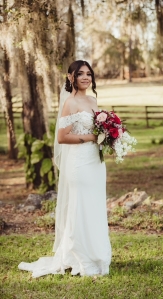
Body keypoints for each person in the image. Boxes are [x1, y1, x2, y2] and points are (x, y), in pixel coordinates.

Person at [18, 60, 112, 277]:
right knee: (80, 208)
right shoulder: (70, 103)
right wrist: (92, 137)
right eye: (81, 74)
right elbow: (62, 137)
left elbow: (99, 127)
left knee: (94, 207)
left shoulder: (92, 99)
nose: (86, 78)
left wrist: (109, 137)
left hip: (95, 163)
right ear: (71, 77)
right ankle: (79, 258)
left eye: (89, 74)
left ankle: (96, 255)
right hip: (79, 164)